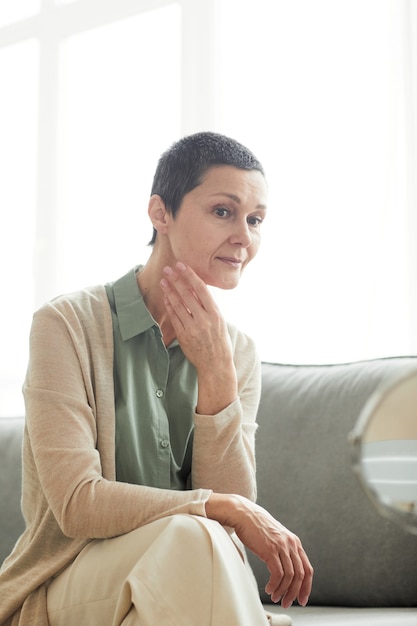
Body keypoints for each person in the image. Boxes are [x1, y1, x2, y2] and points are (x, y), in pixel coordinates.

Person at [0, 131, 313, 626]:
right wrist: (220, 506)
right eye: (223, 212)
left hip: (178, 580)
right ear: (160, 214)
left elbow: (227, 528)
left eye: (255, 220)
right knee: (195, 533)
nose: (244, 237)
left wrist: (216, 378)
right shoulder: (66, 326)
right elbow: (78, 504)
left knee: (197, 544)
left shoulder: (238, 354)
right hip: (70, 580)